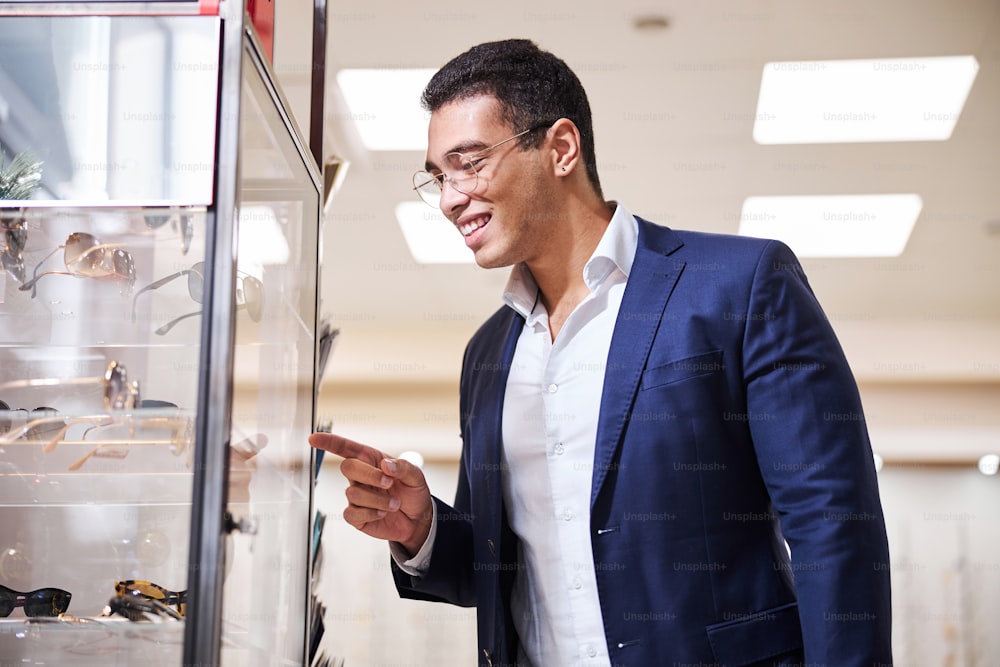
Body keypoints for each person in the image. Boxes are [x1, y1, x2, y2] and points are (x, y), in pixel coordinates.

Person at [310, 38, 892, 667]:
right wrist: (423, 531)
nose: (450, 198)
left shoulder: (739, 285)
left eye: (470, 163)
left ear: (560, 149)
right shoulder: (487, 355)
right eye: (438, 176)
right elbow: (500, 569)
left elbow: (833, 524)